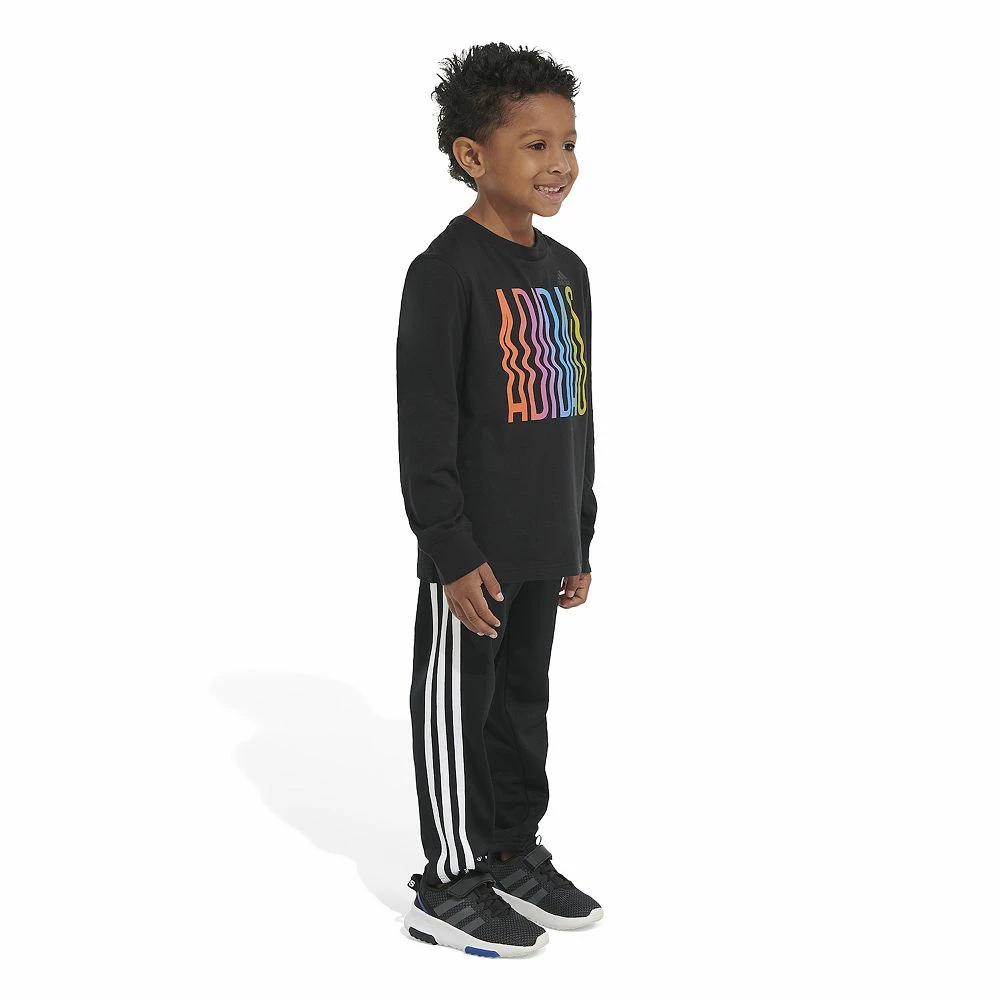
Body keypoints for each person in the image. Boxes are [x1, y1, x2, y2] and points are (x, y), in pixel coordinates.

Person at [396, 42, 603, 959]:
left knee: (522, 704)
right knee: (460, 705)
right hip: (472, 554)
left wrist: (578, 531)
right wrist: (449, 546)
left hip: (543, 536)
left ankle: (513, 849)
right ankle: (449, 879)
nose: (560, 163)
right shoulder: (445, 273)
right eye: (535, 144)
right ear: (473, 155)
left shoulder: (568, 271)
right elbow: (424, 427)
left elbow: (576, 411)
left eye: (569, 142)